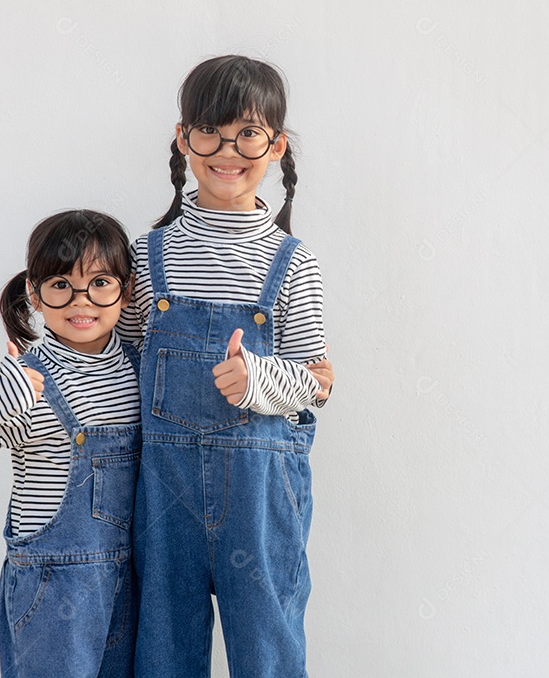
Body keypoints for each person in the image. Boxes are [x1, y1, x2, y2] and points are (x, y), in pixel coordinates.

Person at [117, 55, 332, 677]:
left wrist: (259, 380)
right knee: (163, 649)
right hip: (163, 493)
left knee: (266, 648)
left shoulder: (293, 263)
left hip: (261, 496)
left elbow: (318, 383)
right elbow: (121, 365)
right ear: (183, 139)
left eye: (247, 132)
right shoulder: (147, 254)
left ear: (276, 145)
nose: (227, 149)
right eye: (208, 130)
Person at [0, 210, 141, 678]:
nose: (81, 301)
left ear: (125, 289)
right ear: (35, 292)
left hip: (133, 581)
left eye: (99, 283)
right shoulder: (27, 377)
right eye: (60, 285)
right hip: (55, 586)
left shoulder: (138, 368)